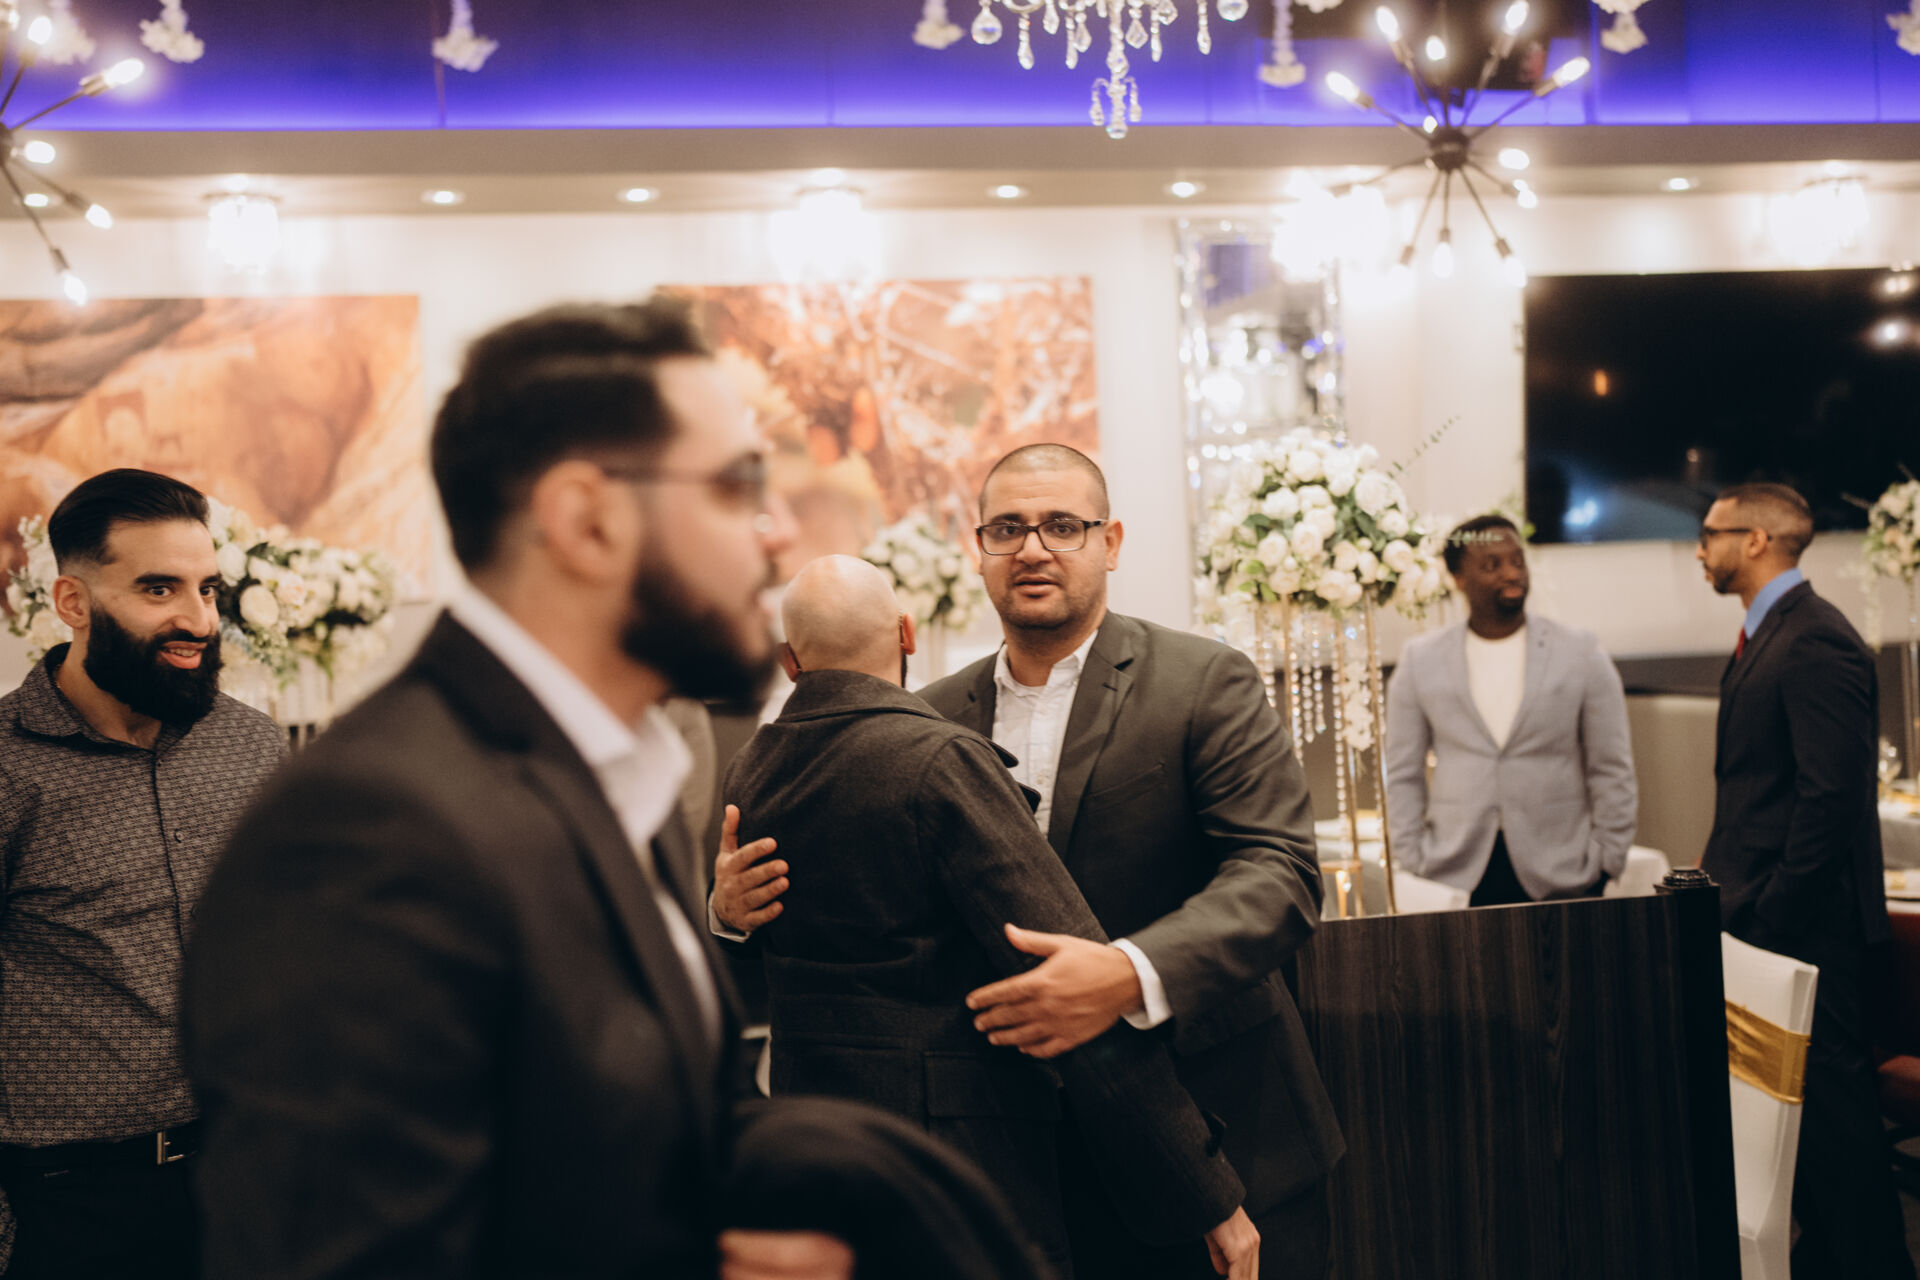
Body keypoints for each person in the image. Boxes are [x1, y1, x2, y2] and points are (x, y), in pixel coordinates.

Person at [183, 299, 887, 1280]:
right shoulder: (370, 834)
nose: (778, 533)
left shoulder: (620, 775)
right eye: (737, 487)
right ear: (586, 520)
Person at [717, 443, 1345, 1279]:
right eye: (1008, 529)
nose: (1033, 549)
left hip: (1216, 1124)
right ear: (978, 549)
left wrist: (1129, 973)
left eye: (1062, 526)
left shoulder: (1201, 681)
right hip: (1020, 1156)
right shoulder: (927, 719)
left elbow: (1279, 872)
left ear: (1110, 542)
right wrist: (731, 914)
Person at [0, 469, 286, 1280]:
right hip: (69, 1205)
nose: (198, 619)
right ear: (73, 601)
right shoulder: (7, 767)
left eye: (208, 588)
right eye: (159, 589)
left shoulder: (253, 746)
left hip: (246, 1178)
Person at [1696, 481, 1913, 1279]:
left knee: (1839, 1144)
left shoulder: (1816, 637)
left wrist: (1770, 916)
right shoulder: (1768, 633)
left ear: (1756, 539)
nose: (1699, 549)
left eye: (1711, 533)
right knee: (1804, 1150)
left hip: (1807, 934)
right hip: (1769, 926)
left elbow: (1831, 802)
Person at [1383, 513, 1637, 905]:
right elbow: (1403, 772)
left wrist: (1607, 857)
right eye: (1492, 565)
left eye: (1517, 561)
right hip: (1454, 869)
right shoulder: (1421, 660)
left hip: (1563, 869)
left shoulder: (1581, 652)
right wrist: (1411, 854)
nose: (1511, 573)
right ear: (1458, 578)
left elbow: (1612, 766)